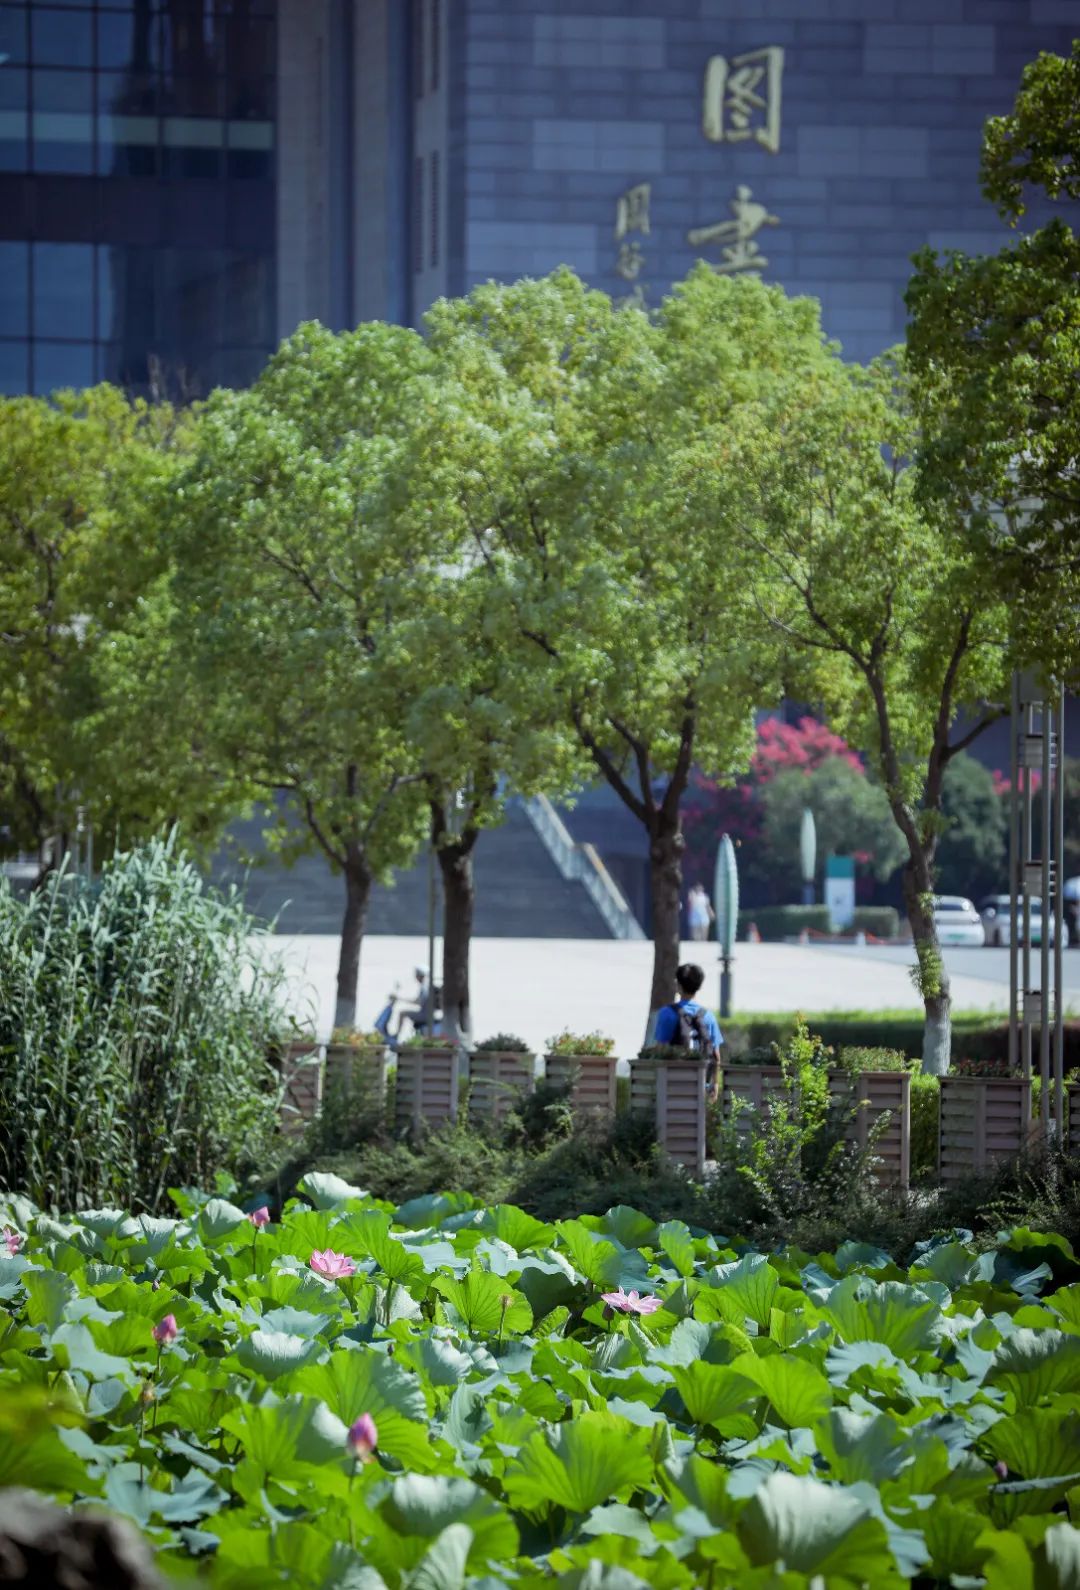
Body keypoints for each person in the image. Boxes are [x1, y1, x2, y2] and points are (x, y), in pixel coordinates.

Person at [653, 962, 724, 1101]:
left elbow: (660, 1049)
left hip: (672, 1084)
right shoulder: (708, 1016)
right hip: (700, 1085)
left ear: (678, 985)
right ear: (699, 987)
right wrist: (715, 1084)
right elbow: (716, 1054)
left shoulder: (667, 1013)